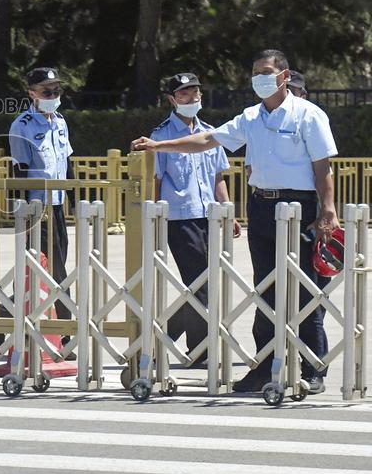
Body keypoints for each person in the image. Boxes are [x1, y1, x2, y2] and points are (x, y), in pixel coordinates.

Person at [131, 49, 338, 394]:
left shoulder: (308, 115)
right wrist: (159, 146)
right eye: (256, 71)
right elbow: (207, 140)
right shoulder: (250, 118)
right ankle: (266, 365)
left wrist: (328, 209)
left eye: (267, 71)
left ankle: (312, 366)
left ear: (284, 76)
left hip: (300, 206)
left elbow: (322, 166)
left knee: (304, 288)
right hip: (262, 206)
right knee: (266, 288)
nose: (260, 77)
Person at [150, 73, 240, 367]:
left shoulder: (211, 133)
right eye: (185, 94)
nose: (192, 99)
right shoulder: (161, 136)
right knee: (199, 280)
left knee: (210, 279)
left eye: (196, 93)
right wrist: (153, 219)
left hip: (209, 215)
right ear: (172, 100)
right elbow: (156, 179)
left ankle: (164, 333)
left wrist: (228, 211)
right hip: (179, 216)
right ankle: (200, 348)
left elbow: (217, 177)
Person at [8, 67, 75, 322]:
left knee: (50, 264)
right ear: (32, 94)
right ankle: (67, 326)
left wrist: (74, 201)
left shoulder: (60, 121)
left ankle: (6, 313)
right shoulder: (21, 125)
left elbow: (67, 162)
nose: (53, 95)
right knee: (54, 268)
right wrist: (24, 214)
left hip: (57, 205)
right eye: (47, 91)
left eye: (57, 90)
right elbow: (20, 171)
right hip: (37, 207)